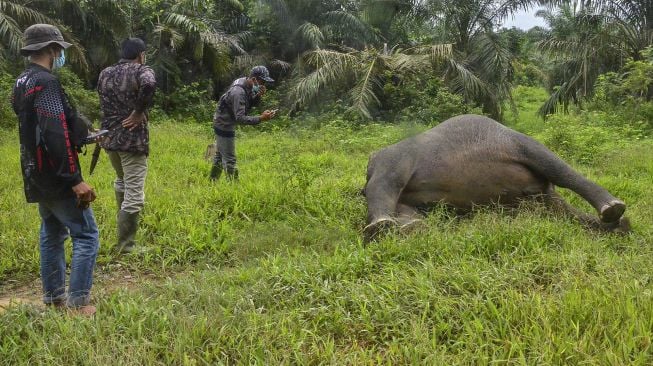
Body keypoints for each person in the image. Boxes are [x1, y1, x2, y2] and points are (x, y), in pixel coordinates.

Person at [12, 24, 99, 316]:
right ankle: (78, 303)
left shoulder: (22, 80)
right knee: (86, 235)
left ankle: (53, 297)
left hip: (35, 172)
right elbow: (53, 133)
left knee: (51, 232)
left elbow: (43, 124)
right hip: (57, 174)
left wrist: (84, 130)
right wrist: (75, 179)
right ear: (51, 50)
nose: (60, 55)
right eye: (58, 50)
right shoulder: (47, 82)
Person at [97, 38, 156, 254]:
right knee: (134, 191)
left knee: (121, 180)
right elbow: (149, 84)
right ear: (141, 54)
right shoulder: (141, 70)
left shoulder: (105, 72)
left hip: (110, 137)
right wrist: (138, 111)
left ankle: (123, 239)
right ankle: (126, 246)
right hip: (132, 140)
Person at [210, 66, 277, 181]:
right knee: (230, 160)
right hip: (224, 124)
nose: (263, 84)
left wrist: (258, 96)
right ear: (254, 79)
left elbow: (248, 103)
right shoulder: (238, 92)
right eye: (263, 81)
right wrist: (261, 118)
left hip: (221, 118)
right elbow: (240, 118)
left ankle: (212, 181)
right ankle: (234, 189)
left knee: (220, 156)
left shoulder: (245, 82)